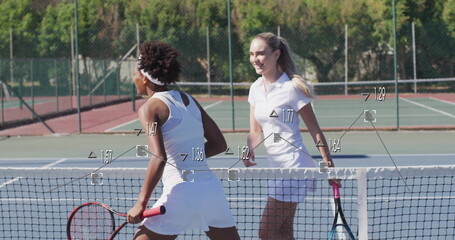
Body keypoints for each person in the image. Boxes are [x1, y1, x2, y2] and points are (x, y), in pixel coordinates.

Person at [127, 41, 241, 240]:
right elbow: (219, 144)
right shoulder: (189, 99)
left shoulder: (149, 108)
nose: (133, 78)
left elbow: (158, 157)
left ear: (145, 78)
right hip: (211, 192)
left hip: (181, 192)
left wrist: (141, 202)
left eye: (135, 74)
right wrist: (187, 157)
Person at [245, 32, 341, 240]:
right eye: (252, 54)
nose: (255, 59)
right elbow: (255, 130)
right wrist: (249, 149)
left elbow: (315, 129)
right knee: (283, 232)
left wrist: (330, 167)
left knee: (266, 233)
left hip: (293, 168)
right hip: (276, 169)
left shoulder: (292, 89)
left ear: (276, 54)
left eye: (261, 53)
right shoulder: (255, 89)